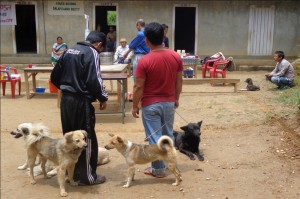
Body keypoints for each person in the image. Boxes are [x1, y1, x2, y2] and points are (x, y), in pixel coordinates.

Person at [50, 31, 108, 186]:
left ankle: (73, 174)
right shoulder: (92, 52)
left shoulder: (69, 50)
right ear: (99, 45)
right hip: (81, 102)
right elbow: (94, 79)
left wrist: (67, 88)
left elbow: (54, 76)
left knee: (70, 138)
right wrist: (103, 97)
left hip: (66, 101)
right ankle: (87, 177)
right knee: (86, 139)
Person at [131, 22, 183, 178]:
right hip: (168, 103)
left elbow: (138, 87)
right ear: (164, 36)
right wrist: (176, 98)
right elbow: (179, 81)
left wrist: (134, 106)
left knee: (155, 137)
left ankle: (158, 169)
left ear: (146, 40)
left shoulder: (144, 61)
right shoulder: (176, 56)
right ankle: (169, 165)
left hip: (150, 105)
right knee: (168, 135)